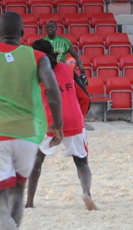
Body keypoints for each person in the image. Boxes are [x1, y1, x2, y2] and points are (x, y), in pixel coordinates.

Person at [0, 12, 63, 230]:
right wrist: (57, 124)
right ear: (22, 34)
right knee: (18, 191)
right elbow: (53, 91)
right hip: (28, 134)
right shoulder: (38, 57)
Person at [25, 39, 98, 211]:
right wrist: (79, 116)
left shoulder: (35, 74)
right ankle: (87, 193)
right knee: (82, 162)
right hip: (74, 119)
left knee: (37, 160)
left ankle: (29, 202)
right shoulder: (67, 69)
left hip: (50, 121)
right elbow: (86, 97)